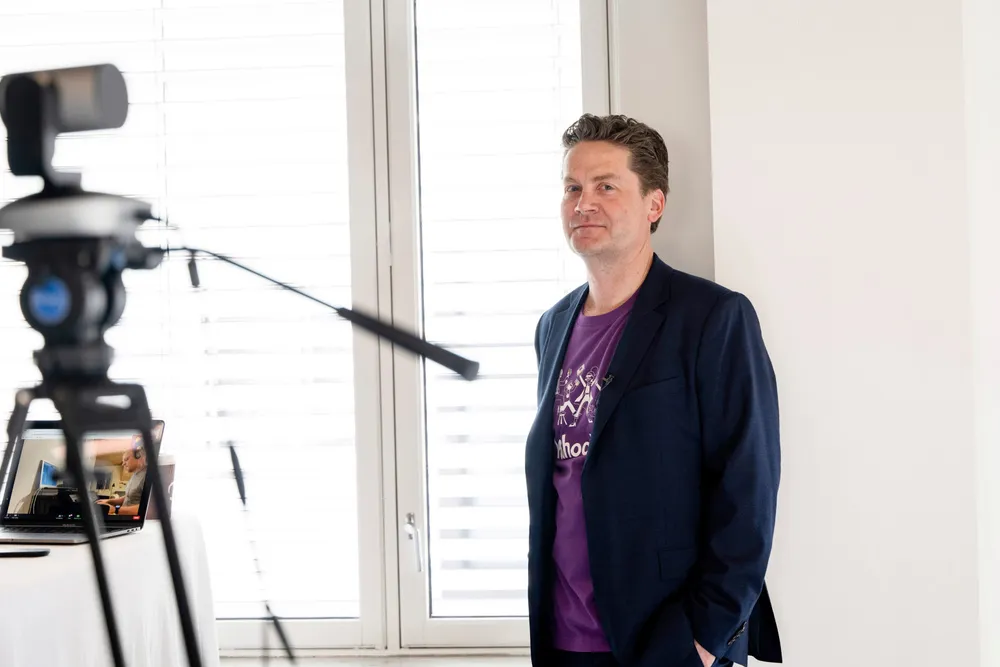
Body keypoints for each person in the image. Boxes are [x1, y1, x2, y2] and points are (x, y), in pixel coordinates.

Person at [525, 114, 782, 667]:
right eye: (572, 188)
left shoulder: (714, 318)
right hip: (564, 641)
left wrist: (704, 640)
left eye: (605, 187)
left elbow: (748, 490)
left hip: (666, 642)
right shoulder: (552, 326)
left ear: (654, 204)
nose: (582, 203)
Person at [97, 435, 147, 517]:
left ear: (139, 456)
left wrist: (115, 510)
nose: (123, 464)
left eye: (126, 459)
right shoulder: (135, 475)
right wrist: (108, 501)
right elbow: (128, 497)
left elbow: (145, 508)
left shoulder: (146, 476)